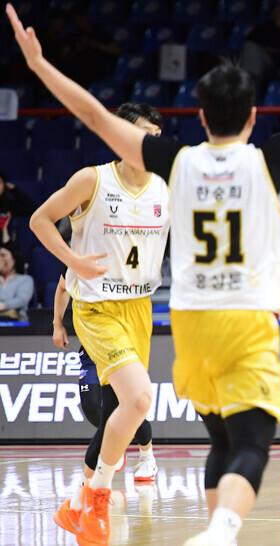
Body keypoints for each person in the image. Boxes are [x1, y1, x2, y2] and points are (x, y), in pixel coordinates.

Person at [7, 2, 280, 542]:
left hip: (189, 322)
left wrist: (38, 65)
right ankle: (218, 528)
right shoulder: (267, 160)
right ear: (253, 118)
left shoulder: (176, 163)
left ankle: (129, 504)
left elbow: (94, 115)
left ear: (202, 118)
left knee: (219, 439)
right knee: (252, 440)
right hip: (244, 320)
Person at [25, 100, 168, 544]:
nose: (150, 144)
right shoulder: (93, 179)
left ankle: (78, 505)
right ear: (118, 136)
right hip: (96, 307)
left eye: (156, 137)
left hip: (140, 308)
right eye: (142, 134)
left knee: (119, 412)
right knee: (140, 398)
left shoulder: (165, 186)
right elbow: (39, 220)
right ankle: (97, 498)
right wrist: (72, 260)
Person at [51, 273, 157, 489]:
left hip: (120, 338)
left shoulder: (127, 265)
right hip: (93, 340)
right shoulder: (80, 257)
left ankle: (146, 455)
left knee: (127, 406)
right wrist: (57, 324)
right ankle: (112, 450)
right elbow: (62, 287)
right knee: (92, 406)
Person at [0, 172, 37, 245]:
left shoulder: (8, 205)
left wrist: (14, 190)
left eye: (0, 183)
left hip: (6, 245)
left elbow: (32, 209)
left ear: (4, 185)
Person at [0, 246, 34, 321]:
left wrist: (4, 305)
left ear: (14, 259)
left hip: (16, 321)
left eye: (3, 255)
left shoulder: (25, 279)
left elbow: (22, 300)